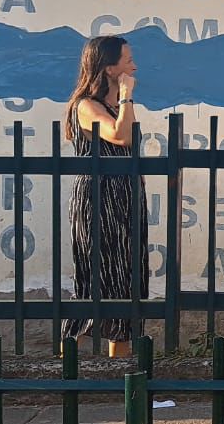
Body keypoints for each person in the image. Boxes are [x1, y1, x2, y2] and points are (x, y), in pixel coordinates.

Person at [60, 35, 149, 358]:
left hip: (125, 196)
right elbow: (121, 136)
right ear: (109, 67)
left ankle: (119, 365)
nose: (134, 66)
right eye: (127, 60)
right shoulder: (86, 106)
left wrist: (123, 100)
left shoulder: (114, 106)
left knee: (127, 278)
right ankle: (67, 362)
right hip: (98, 199)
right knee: (95, 277)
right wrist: (127, 96)